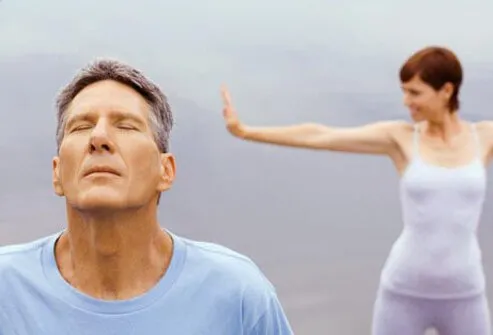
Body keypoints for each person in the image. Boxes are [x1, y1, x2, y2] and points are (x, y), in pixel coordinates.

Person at [0, 59, 293, 335]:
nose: (99, 138)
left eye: (125, 126)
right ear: (58, 172)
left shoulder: (237, 295)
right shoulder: (7, 289)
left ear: (165, 170)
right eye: (81, 126)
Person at [221, 46, 493, 335]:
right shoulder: (400, 138)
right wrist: (245, 131)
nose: (406, 101)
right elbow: (321, 135)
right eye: (404, 91)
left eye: (415, 93)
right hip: (404, 291)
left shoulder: (484, 137)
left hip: (465, 294)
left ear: (447, 90)